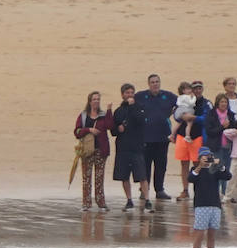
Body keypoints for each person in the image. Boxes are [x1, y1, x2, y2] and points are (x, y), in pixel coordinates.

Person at [137, 74, 176, 201]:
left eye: (157, 82)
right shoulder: (140, 96)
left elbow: (182, 104)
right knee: (145, 165)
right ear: (148, 84)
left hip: (163, 137)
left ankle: (159, 190)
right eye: (152, 82)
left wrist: (174, 113)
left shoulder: (168, 96)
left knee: (161, 165)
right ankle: (144, 190)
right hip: (145, 137)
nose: (155, 84)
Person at [111, 82, 149, 210]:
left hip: (137, 147)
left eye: (132, 93)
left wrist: (133, 107)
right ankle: (129, 200)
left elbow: (141, 120)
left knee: (142, 175)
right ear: (122, 95)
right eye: (127, 93)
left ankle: (147, 199)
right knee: (124, 176)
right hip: (123, 148)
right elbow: (113, 131)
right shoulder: (118, 111)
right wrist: (118, 129)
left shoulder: (139, 107)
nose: (130, 95)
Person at [74, 91, 112, 212]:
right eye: (94, 99)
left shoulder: (103, 115)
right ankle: (86, 204)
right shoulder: (83, 115)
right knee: (86, 178)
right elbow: (77, 132)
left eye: (98, 99)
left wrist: (110, 111)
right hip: (87, 151)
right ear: (89, 101)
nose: (96, 101)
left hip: (101, 150)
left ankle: (101, 203)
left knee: (99, 177)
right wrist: (89, 129)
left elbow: (110, 126)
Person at [189, 147, 231, 248]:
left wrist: (220, 166)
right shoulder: (195, 170)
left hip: (215, 205)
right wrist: (200, 166)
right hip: (201, 205)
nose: (207, 158)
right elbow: (190, 178)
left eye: (209, 156)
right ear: (199, 158)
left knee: (212, 235)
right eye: (205, 156)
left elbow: (228, 176)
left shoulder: (214, 170)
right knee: (199, 233)